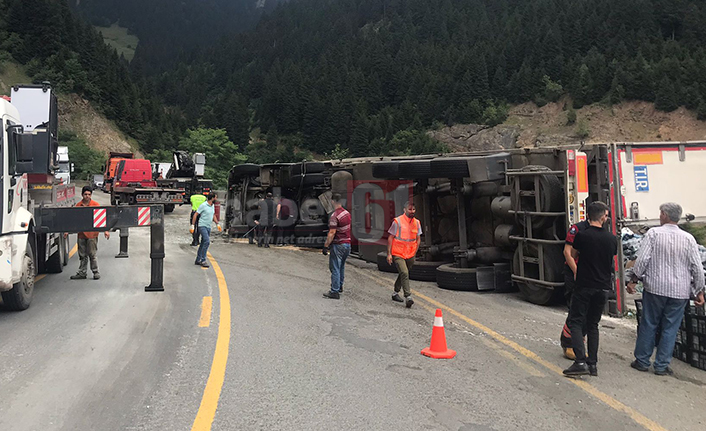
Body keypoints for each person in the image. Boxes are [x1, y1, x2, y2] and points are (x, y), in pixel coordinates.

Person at [629, 202, 705, 376]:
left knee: (649, 324)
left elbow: (641, 261)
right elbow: (697, 267)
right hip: (679, 292)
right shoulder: (688, 239)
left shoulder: (653, 234)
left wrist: (634, 279)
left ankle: (642, 361)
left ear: (664, 214)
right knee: (671, 328)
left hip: (655, 288)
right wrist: (699, 290)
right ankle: (661, 365)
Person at [563, 201, 616, 377]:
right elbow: (610, 260)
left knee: (577, 322)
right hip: (602, 287)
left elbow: (573, 254)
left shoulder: (582, 235)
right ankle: (593, 364)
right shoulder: (611, 238)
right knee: (593, 325)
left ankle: (580, 361)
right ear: (602, 217)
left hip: (584, 285)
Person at [561, 217, 591, 360]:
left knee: (585, 310)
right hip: (574, 272)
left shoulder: (599, 231)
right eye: (605, 215)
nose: (606, 218)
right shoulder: (577, 229)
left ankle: (575, 340)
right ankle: (569, 343)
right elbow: (567, 252)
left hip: (588, 274)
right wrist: (576, 272)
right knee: (575, 308)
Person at [68, 186, 110, 280]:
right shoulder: (78, 206)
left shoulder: (95, 205)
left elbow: (101, 220)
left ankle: (95, 272)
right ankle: (82, 272)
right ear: (82, 195)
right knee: (82, 255)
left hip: (92, 234)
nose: (87, 196)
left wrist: (105, 231)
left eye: (89, 194)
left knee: (92, 254)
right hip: (82, 234)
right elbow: (74, 220)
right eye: (85, 194)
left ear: (91, 195)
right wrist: (67, 231)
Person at [387, 201, 422, 309]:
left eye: (413, 210)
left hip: (410, 254)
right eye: (410, 209)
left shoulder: (417, 223)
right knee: (404, 272)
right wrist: (389, 254)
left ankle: (395, 293)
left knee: (403, 273)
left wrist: (415, 250)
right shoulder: (397, 221)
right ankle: (408, 297)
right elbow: (390, 238)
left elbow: (418, 238)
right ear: (404, 210)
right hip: (398, 253)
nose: (412, 211)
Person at [322, 193, 351, 300]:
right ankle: (339, 286)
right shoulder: (347, 214)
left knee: (334, 267)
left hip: (338, 245)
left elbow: (332, 233)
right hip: (347, 244)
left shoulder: (334, 216)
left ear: (333, 201)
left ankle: (334, 291)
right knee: (341, 266)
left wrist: (326, 246)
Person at [192, 193, 220, 268]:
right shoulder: (203, 205)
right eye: (215, 197)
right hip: (202, 226)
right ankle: (203, 260)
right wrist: (193, 225)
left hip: (208, 226)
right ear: (212, 198)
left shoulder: (212, 206)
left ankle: (198, 259)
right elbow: (195, 214)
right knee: (207, 241)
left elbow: (213, 215)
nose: (216, 199)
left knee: (203, 243)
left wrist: (217, 223)